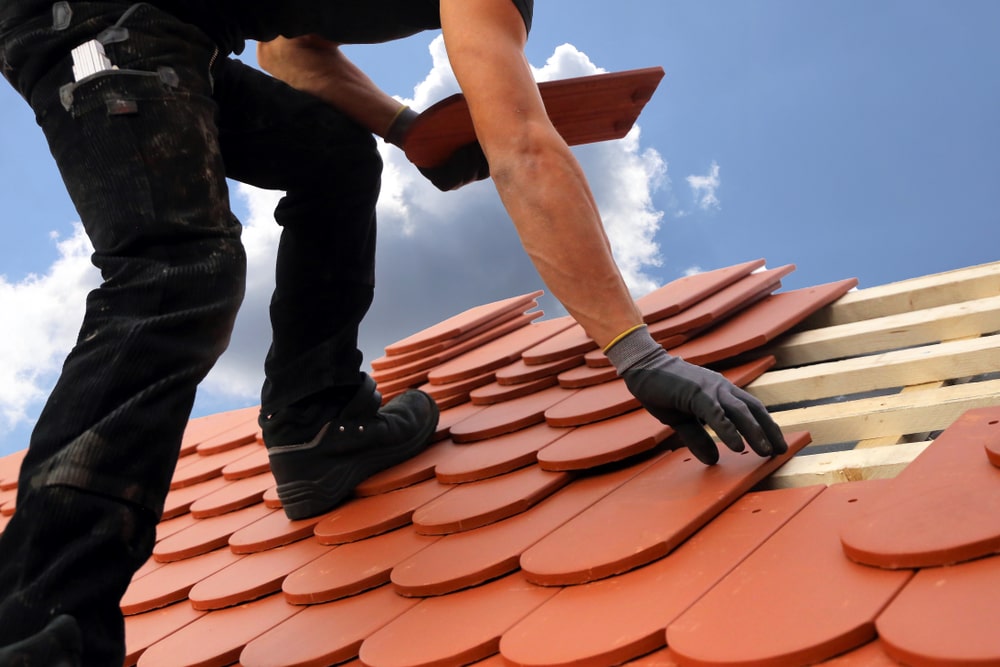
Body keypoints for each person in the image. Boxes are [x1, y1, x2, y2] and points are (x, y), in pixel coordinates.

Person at [0, 0, 788, 663]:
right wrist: (637, 352)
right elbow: (522, 148)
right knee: (177, 272)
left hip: (172, 28)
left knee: (333, 153)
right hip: (97, 18)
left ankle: (318, 426)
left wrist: (408, 129)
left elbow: (289, 52)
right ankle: (36, 625)